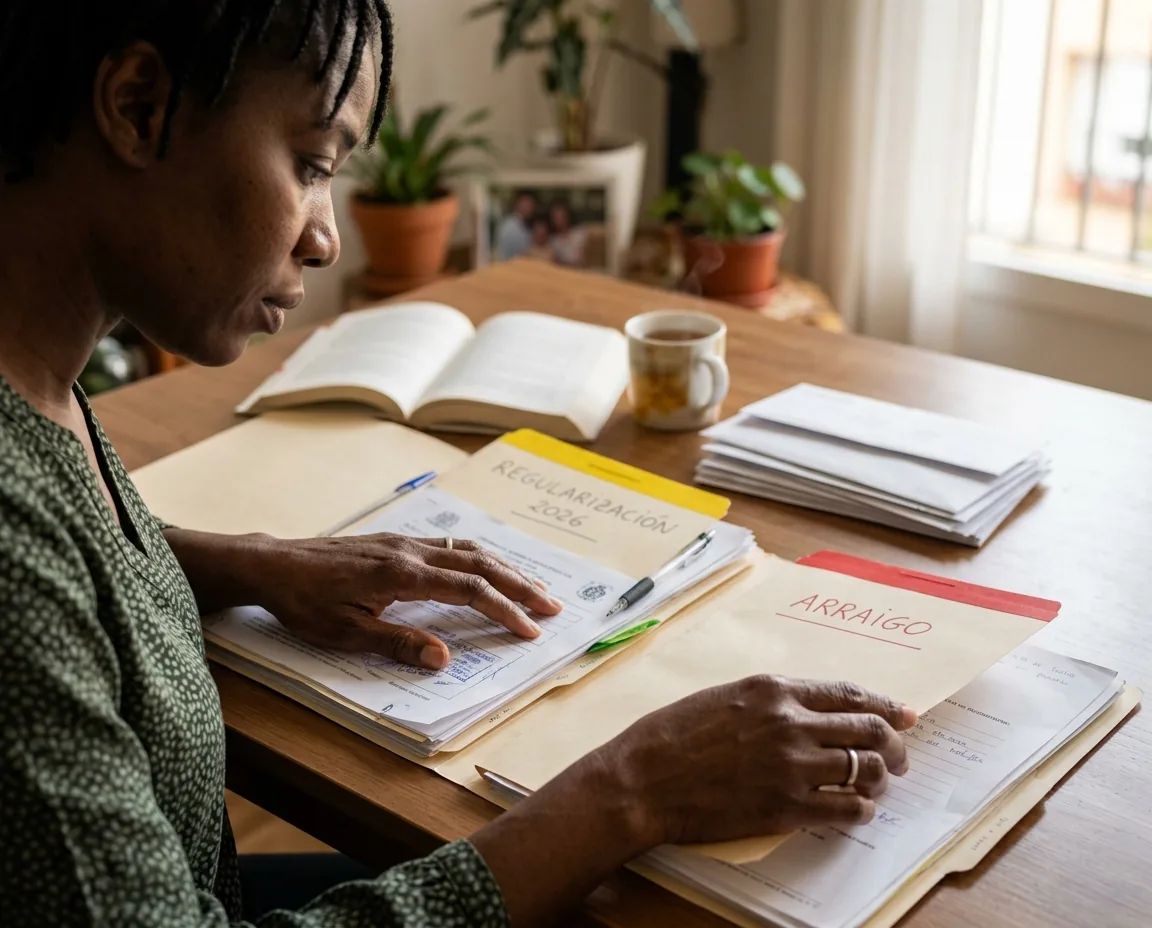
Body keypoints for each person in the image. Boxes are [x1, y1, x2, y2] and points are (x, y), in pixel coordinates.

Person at [0, 2, 915, 926]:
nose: (325, 237)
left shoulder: (39, 382)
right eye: (313, 165)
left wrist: (248, 563)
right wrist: (635, 789)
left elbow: (72, 565)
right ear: (137, 105)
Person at [495, 191, 537, 261]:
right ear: (518, 205)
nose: (530, 208)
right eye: (527, 205)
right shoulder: (510, 227)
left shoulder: (526, 226)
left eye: (531, 205)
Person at [547, 201, 589, 268]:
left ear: (568, 216)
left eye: (562, 216)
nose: (559, 220)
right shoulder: (553, 241)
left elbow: (583, 260)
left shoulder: (580, 233)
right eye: (556, 217)